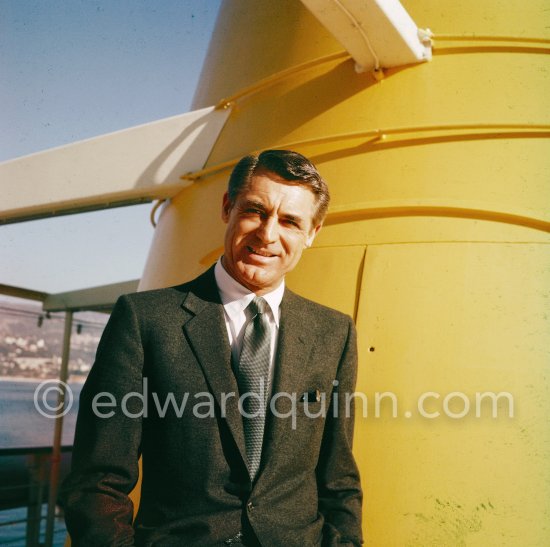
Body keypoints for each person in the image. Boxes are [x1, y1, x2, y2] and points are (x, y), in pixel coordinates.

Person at [62, 149, 363, 546]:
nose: (268, 234)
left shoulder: (334, 333)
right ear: (228, 207)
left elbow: (338, 479)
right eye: (256, 210)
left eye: (290, 221)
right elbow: (97, 480)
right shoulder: (144, 319)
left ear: (312, 232)